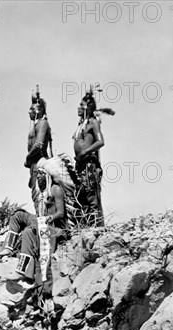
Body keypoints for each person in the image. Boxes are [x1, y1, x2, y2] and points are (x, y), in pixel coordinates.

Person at [0, 159, 71, 283]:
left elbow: (61, 213)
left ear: (48, 175)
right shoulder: (39, 192)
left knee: (27, 232)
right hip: (39, 221)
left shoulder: (55, 189)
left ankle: (21, 271)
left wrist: (50, 218)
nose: (39, 176)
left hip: (52, 226)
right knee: (18, 215)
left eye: (42, 173)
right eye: (38, 173)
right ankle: (8, 247)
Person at [72, 88, 113, 227]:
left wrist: (85, 153)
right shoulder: (81, 124)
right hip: (80, 165)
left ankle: (97, 227)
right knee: (82, 195)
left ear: (88, 108)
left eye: (81, 105)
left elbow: (100, 141)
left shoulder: (93, 122)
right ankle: (86, 226)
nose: (78, 107)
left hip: (89, 164)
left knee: (91, 195)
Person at [25, 86, 53, 214]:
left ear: (39, 110)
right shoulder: (38, 124)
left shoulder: (42, 123)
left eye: (32, 109)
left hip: (40, 163)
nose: (29, 111)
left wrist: (28, 158)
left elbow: (39, 145)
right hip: (35, 165)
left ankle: (44, 226)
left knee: (41, 197)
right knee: (37, 197)